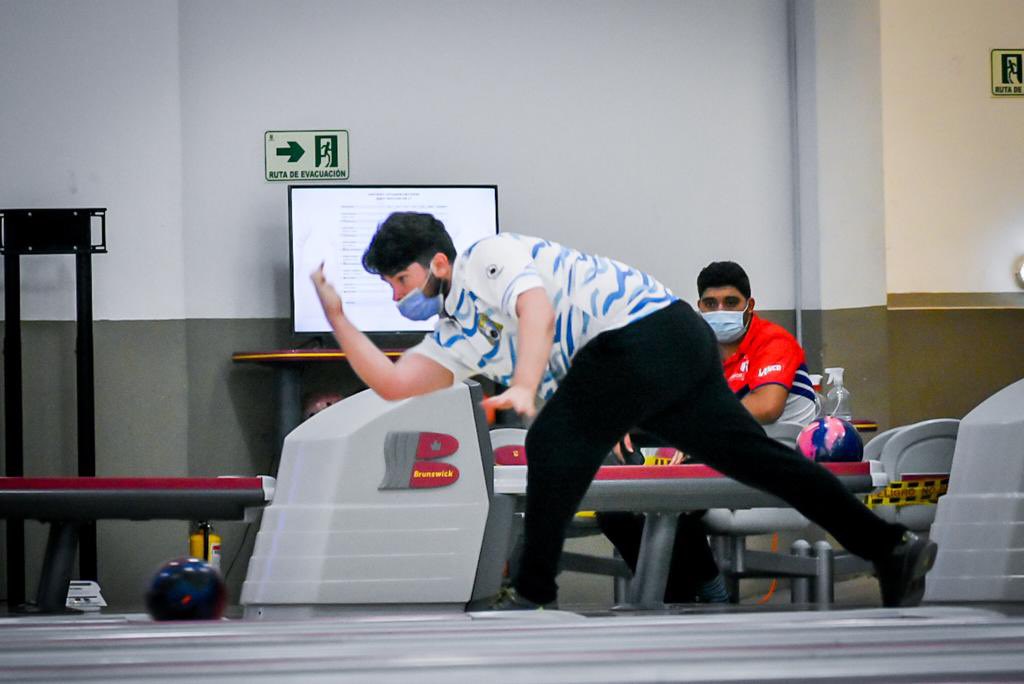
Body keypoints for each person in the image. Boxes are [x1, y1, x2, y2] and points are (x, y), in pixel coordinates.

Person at [310, 212, 936, 610]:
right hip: (666, 347)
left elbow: (535, 307)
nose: (397, 295)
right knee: (757, 461)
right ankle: (889, 547)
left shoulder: (484, 256)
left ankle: (531, 595)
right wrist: (339, 320)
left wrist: (527, 384)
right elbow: (395, 383)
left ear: (438, 262)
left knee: (551, 441)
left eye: (400, 280)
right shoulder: (457, 333)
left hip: (649, 332)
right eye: (388, 287)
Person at [597, 261, 820, 603]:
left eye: (731, 303)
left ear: (750, 306)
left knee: (678, 495)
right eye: (710, 304)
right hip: (721, 468)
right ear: (699, 307)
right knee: (613, 509)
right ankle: (684, 601)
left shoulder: (773, 343)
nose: (720, 311)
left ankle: (700, 598)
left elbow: (768, 406)